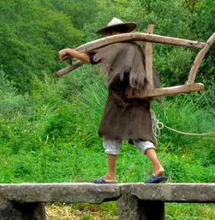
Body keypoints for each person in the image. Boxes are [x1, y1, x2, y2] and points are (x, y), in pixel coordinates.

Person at [59, 17, 169, 184]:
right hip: (140, 95)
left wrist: (69, 51)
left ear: (114, 33)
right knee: (139, 134)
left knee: (110, 131)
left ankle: (110, 176)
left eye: (111, 33)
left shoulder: (117, 46)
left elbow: (91, 59)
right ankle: (157, 167)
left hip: (121, 98)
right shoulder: (135, 48)